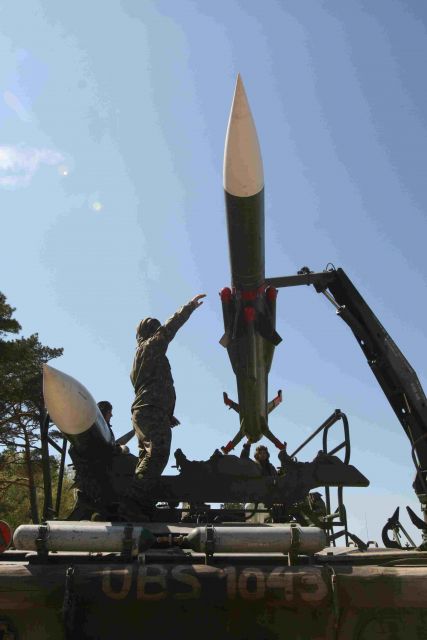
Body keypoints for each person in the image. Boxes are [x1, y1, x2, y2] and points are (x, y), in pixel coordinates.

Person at [120, 293, 206, 520]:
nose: (158, 332)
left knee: (146, 458)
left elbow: (154, 385)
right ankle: (132, 502)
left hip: (149, 410)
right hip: (150, 409)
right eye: (155, 329)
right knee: (157, 453)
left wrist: (167, 414)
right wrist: (188, 307)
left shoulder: (145, 355)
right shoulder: (149, 348)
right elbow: (169, 329)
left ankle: (141, 504)